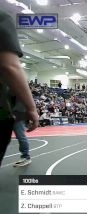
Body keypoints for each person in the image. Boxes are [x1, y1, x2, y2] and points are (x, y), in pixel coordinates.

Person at [0, 10, 39, 166]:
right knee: (20, 133)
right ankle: (26, 155)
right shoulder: (2, 18)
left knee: (20, 134)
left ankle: (26, 155)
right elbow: (10, 66)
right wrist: (32, 109)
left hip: (15, 111)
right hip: (10, 110)